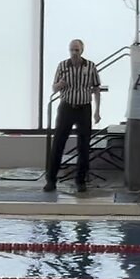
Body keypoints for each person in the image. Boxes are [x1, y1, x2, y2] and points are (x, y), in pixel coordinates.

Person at [44, 39, 102, 193]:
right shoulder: (63, 66)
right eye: (72, 50)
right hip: (66, 107)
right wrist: (59, 85)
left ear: (82, 50)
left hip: (84, 108)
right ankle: (51, 180)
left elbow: (96, 89)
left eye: (77, 50)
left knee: (84, 145)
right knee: (58, 144)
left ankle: (80, 180)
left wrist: (97, 111)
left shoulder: (90, 66)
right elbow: (53, 88)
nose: (74, 53)